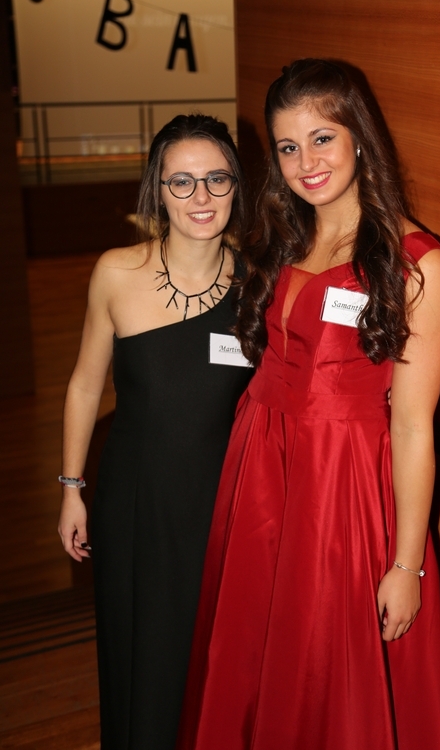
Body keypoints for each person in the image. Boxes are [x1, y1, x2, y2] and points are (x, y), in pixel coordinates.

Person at [177, 60, 440, 750]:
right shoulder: (283, 236)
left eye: (322, 138)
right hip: (259, 469)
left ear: (359, 136)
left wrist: (407, 565)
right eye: (287, 146)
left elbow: (412, 427)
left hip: (339, 488)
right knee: (248, 652)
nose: (306, 163)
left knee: (322, 667)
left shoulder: (416, 264)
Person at [57, 114, 253, 750]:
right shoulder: (117, 272)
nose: (201, 197)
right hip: (134, 503)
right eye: (182, 181)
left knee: (207, 660)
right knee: (138, 654)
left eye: (217, 178)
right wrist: (71, 488)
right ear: (157, 189)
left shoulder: (259, 284)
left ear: (237, 185)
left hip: (219, 506)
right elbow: (85, 385)